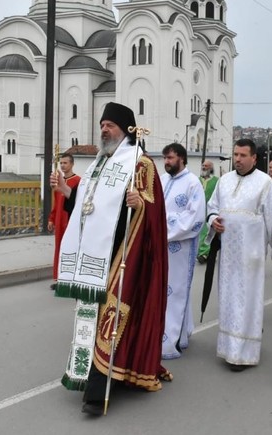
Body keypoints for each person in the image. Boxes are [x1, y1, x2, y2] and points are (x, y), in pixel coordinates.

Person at [51, 102, 169, 416]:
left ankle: (97, 392)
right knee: (90, 318)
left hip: (123, 253)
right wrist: (67, 192)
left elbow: (154, 211)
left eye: (110, 125)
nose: (104, 129)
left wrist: (140, 203)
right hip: (94, 255)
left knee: (112, 321)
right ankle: (88, 377)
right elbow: (91, 203)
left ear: (127, 129)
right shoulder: (99, 162)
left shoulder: (140, 163)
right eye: (102, 124)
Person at [206, 139, 272, 371]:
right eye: (235, 154)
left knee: (247, 302)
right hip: (229, 255)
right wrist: (214, 221)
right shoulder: (224, 180)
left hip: (250, 256)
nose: (238, 159)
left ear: (254, 158)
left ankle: (243, 353)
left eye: (243, 155)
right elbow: (212, 207)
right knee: (228, 300)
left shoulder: (265, 184)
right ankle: (228, 348)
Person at [160, 143, 205, 360]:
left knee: (176, 291)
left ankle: (170, 342)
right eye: (165, 158)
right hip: (160, 247)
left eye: (170, 158)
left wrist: (164, 226)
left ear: (182, 158)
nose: (166, 162)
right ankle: (179, 334)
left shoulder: (193, 183)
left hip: (181, 248)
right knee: (163, 292)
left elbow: (195, 219)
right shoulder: (161, 179)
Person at [48, 153, 81, 289]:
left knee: (71, 248)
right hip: (59, 219)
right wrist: (51, 219)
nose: (62, 165)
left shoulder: (78, 181)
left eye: (65, 163)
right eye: (61, 163)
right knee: (59, 249)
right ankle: (59, 279)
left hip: (71, 220)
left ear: (72, 164)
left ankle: (71, 279)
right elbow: (56, 203)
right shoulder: (57, 182)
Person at [197, 160, 219, 263]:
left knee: (208, 231)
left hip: (210, 211)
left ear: (211, 168)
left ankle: (205, 253)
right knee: (198, 231)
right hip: (198, 210)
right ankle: (201, 252)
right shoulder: (196, 180)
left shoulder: (217, 181)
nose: (204, 167)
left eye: (207, 166)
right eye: (203, 165)